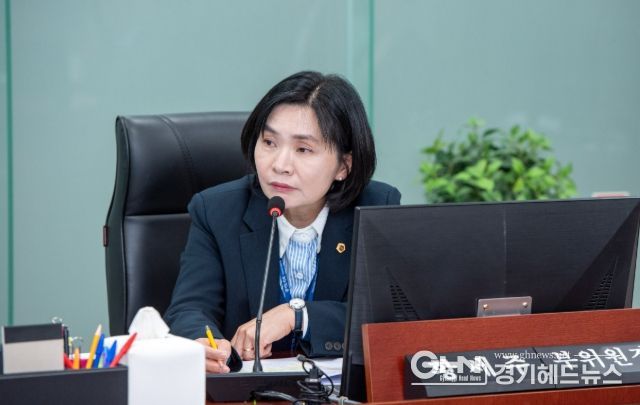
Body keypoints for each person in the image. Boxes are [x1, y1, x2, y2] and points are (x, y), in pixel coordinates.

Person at [164, 71, 401, 373]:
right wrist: (204, 341)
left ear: (344, 166)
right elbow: (189, 308)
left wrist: (296, 315)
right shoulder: (216, 210)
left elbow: (385, 317)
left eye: (303, 149)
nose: (280, 165)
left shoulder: (375, 208)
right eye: (269, 142)